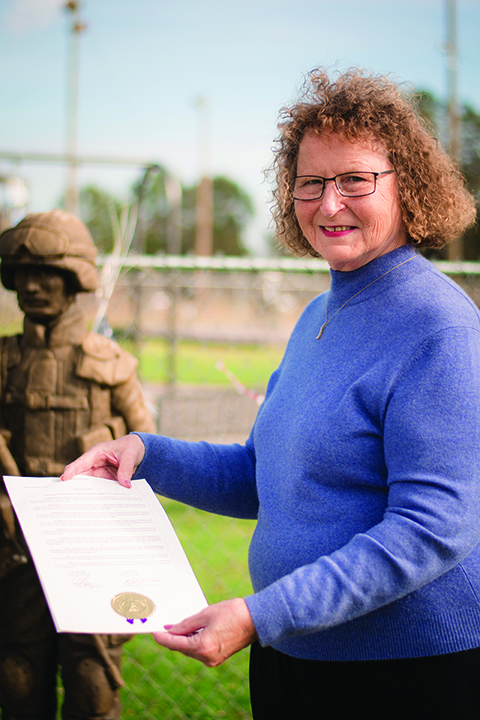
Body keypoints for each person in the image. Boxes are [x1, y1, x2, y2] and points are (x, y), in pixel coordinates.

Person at [63, 69, 480, 718]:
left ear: (410, 186)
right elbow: (264, 479)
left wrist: (262, 614)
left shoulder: (441, 328)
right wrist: (146, 453)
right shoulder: (318, 314)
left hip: (403, 676)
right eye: (310, 183)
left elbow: (432, 531)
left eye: (355, 180)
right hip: (291, 654)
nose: (329, 203)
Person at [0, 210, 156, 720]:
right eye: (21, 274)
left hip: (90, 545)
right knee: (17, 678)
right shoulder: (3, 361)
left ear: (74, 281)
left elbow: (148, 444)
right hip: (16, 546)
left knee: (92, 682)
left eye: (45, 273)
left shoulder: (110, 365)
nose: (31, 285)